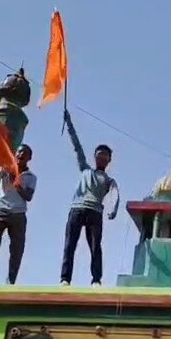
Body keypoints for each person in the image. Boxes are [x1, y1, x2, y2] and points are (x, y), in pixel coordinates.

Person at [61, 109, 120, 287]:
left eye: (105, 155)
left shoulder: (108, 180)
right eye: (99, 153)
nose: (101, 156)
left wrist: (113, 209)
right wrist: (69, 123)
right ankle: (65, 278)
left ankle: (96, 279)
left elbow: (115, 194)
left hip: (95, 211)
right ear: (95, 156)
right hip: (77, 208)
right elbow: (77, 146)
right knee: (70, 244)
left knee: (95, 246)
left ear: (109, 160)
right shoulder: (86, 170)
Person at [0, 144, 36, 284]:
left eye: (24, 153)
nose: (21, 154)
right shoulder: (6, 167)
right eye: (19, 152)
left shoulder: (31, 177)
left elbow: (28, 196)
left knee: (17, 250)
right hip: (0, 211)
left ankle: (10, 282)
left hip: (18, 214)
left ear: (29, 158)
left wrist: (16, 182)